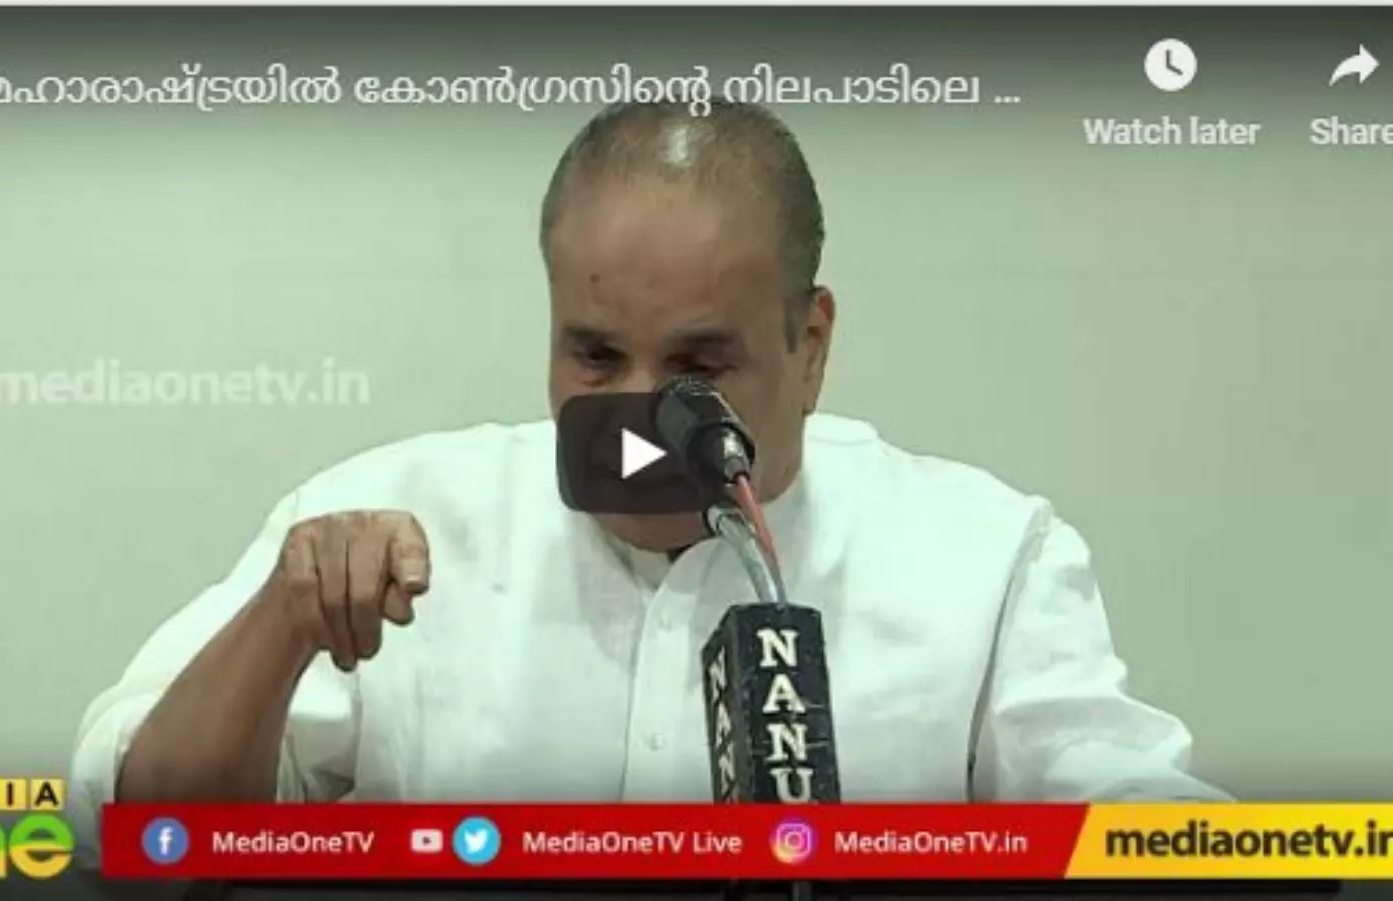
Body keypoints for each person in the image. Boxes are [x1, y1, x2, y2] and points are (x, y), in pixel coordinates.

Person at [68, 99, 1226, 853]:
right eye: (594, 354)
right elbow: (131, 839)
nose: (637, 413)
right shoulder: (389, 520)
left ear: (810, 345)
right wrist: (283, 623)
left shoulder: (984, 558)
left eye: (698, 366)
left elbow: (1146, 823)